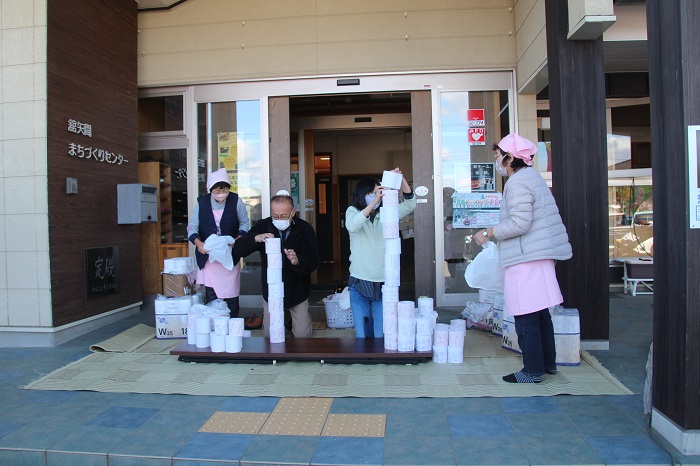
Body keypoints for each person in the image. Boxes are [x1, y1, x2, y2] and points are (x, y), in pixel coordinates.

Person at [474, 133, 572, 383]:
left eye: (498, 156)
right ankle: (547, 365)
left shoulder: (517, 183)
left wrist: (489, 232)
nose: (497, 162)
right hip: (538, 255)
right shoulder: (532, 177)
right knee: (540, 314)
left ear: (509, 158)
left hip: (526, 256)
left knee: (526, 315)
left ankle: (532, 371)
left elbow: (520, 223)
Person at [233, 191, 318, 338]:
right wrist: (256, 238)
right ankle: (283, 320)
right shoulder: (264, 225)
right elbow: (238, 249)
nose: (279, 220)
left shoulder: (304, 229)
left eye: (284, 216)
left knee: (303, 337)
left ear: (293, 212)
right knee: (270, 336)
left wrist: (297, 261)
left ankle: (292, 320)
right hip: (271, 293)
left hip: (297, 290)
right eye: (276, 216)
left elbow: (313, 261)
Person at [345, 168, 417, 338]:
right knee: (362, 334)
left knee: (382, 333)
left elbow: (410, 204)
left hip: (384, 282)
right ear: (362, 194)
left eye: (378, 192)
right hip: (360, 280)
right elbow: (352, 226)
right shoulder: (353, 211)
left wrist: (401, 180)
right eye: (371, 193)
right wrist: (373, 202)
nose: (376, 196)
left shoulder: (387, 214)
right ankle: (363, 361)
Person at [187, 168, 250, 317]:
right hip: (209, 257)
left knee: (231, 295)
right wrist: (198, 243)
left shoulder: (236, 201)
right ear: (210, 190)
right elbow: (192, 226)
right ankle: (215, 327)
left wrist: (238, 239)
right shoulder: (202, 203)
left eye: (225, 190)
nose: (221, 194)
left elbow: (245, 223)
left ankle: (233, 326)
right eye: (217, 191)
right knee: (212, 294)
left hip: (229, 255)